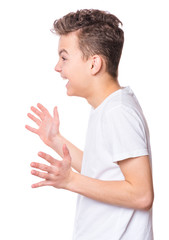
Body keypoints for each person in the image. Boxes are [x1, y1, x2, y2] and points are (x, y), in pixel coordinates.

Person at [25, 9, 154, 240]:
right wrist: (56, 140)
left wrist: (70, 181)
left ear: (94, 64)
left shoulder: (118, 112)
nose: (57, 67)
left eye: (64, 57)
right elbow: (103, 172)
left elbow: (141, 195)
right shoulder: (107, 107)